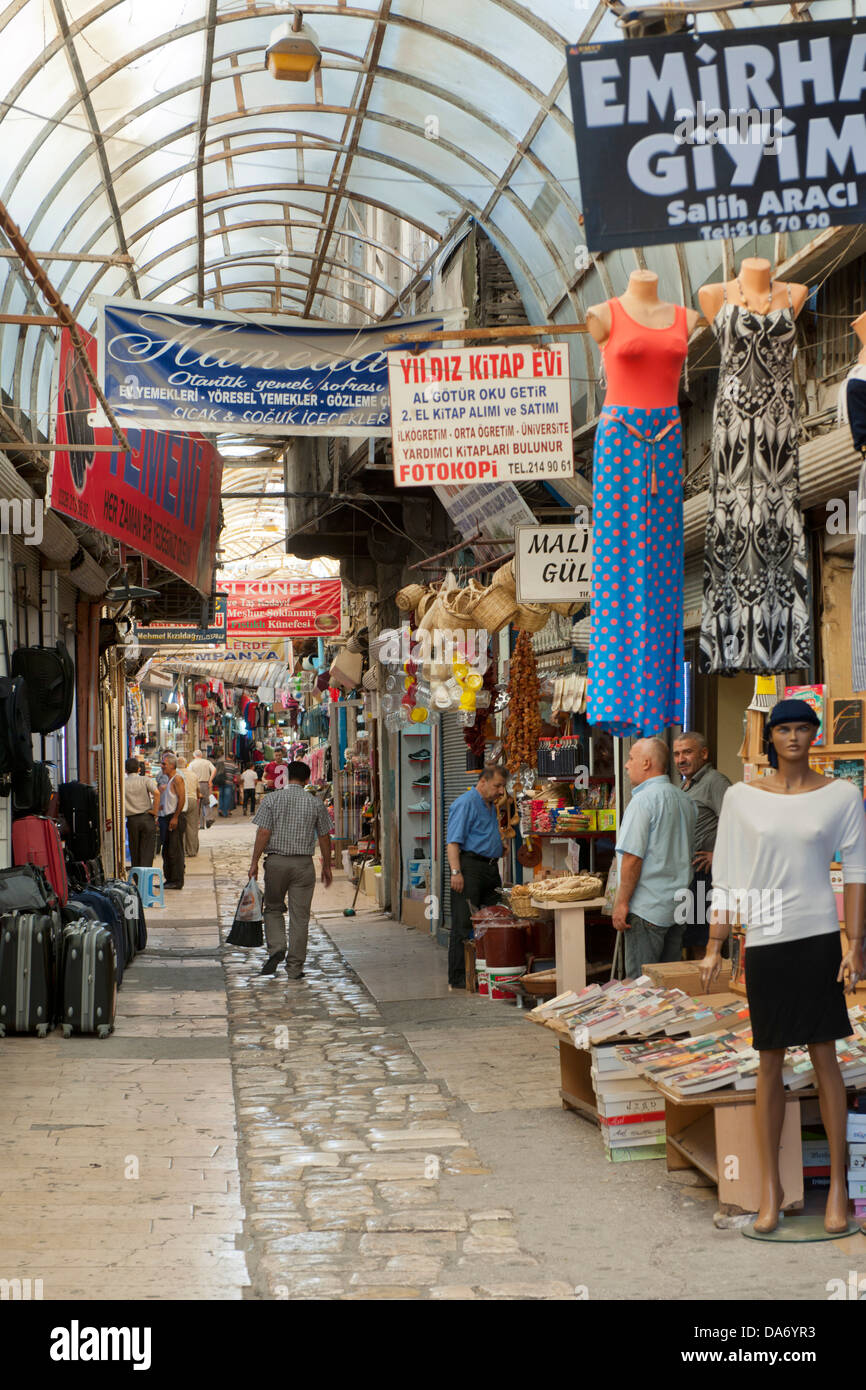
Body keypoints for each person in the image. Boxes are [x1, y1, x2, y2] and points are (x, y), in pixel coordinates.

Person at [701, 699, 866, 1234]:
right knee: (768, 1059)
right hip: (766, 939)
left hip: (819, 936)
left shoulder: (841, 795)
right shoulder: (742, 798)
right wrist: (714, 943)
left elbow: (859, 869)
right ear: (769, 738)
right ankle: (771, 1189)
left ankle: (839, 1188)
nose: (793, 737)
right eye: (784, 729)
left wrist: (856, 941)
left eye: (802, 729)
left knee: (825, 1055)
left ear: (814, 735)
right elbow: (725, 874)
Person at [613, 737, 696, 978]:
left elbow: (632, 858)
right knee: (667, 987)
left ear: (647, 763)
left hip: (647, 908)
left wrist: (621, 903)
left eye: (630, 759)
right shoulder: (685, 799)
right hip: (677, 905)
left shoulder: (642, 801)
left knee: (641, 987)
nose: (627, 765)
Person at [248, 760, 333, 979]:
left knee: (273, 907)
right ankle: (295, 968)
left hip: (276, 863)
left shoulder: (272, 799)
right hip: (303, 865)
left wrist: (254, 862)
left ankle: (276, 947)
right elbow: (324, 836)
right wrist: (327, 865)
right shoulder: (315, 803)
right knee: (300, 917)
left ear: (285, 777)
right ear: (307, 780)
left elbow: (263, 833)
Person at [445, 764, 507, 990]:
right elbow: (452, 842)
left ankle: (487, 971)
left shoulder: (490, 805)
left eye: (503, 787)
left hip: (490, 869)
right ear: (482, 782)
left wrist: (499, 847)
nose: (501, 791)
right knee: (463, 923)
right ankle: (459, 977)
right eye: (497, 786)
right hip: (469, 868)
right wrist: (456, 872)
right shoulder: (465, 803)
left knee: (494, 921)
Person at [673, 731, 731, 958]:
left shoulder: (715, 782)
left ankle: (709, 992)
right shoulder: (685, 785)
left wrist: (717, 856)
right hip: (688, 876)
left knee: (704, 943)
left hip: (706, 877)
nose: (681, 759)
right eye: (677, 754)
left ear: (704, 753)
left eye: (687, 752)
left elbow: (738, 823)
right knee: (689, 940)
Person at [159, 753, 187, 889]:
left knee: (174, 850)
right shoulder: (170, 780)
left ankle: (176, 880)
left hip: (174, 818)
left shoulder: (177, 779)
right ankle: (169, 879)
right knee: (167, 850)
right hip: (168, 817)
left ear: (171, 765)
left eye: (164, 764)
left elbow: (182, 799)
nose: (162, 766)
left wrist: (175, 817)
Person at [124, 757, 159, 868]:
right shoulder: (145, 780)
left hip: (132, 820)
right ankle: (146, 876)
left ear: (125, 770)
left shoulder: (122, 783)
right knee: (147, 850)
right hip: (146, 818)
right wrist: (155, 811)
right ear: (139, 769)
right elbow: (157, 793)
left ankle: (137, 878)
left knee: (135, 850)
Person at [177, 755, 201, 859]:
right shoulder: (193, 774)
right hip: (192, 800)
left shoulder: (176, 774)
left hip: (180, 801)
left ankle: (181, 850)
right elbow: (197, 790)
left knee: (180, 826)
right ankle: (191, 850)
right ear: (186, 764)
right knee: (192, 826)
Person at [189, 749, 216, 829]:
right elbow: (214, 770)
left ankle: (201, 825)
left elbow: (190, 774)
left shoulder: (192, 764)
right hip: (205, 783)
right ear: (201, 755)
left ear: (194, 756)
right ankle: (209, 818)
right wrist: (210, 780)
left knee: (198, 805)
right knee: (206, 803)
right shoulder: (207, 762)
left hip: (196, 784)